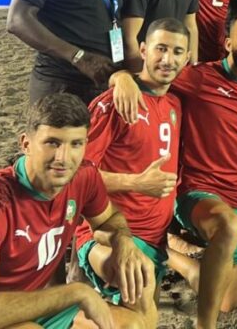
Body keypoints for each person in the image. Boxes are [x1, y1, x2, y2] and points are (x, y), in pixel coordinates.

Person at [0, 93, 153, 329]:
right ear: (26, 144)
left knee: (131, 318)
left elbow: (109, 219)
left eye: (75, 144)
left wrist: (123, 242)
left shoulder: (84, 176)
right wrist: (76, 292)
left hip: (27, 307)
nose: (63, 158)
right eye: (52, 143)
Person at [110, 10, 237, 329]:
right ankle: (204, 324)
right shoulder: (198, 78)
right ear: (228, 42)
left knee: (229, 300)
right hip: (199, 191)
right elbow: (152, 73)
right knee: (228, 228)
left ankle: (178, 255)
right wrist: (121, 77)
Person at [77, 19, 191, 329]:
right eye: (160, 49)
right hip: (111, 234)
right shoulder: (115, 103)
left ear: (187, 57)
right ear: (143, 50)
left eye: (176, 52)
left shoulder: (175, 103)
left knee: (141, 316)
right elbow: (77, 176)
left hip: (154, 237)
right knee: (140, 304)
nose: (167, 59)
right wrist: (136, 182)